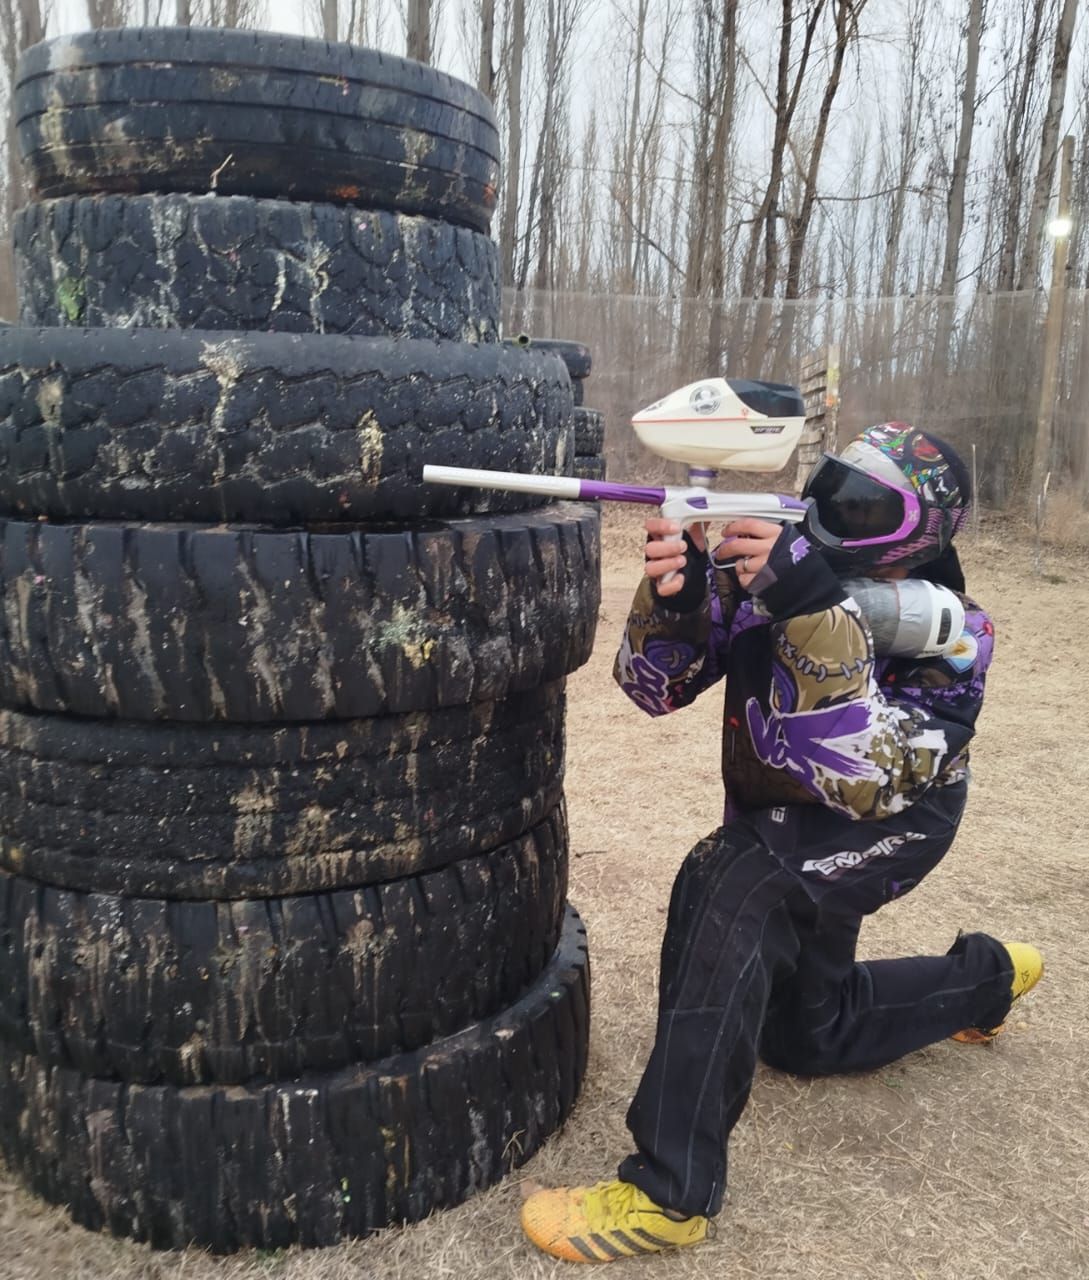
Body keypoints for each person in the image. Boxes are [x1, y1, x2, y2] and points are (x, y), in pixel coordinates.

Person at [521, 423, 1043, 1264]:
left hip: (889, 823)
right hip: (782, 815)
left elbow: (864, 781)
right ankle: (984, 980)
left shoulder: (959, 636)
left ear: (918, 530)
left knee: (731, 879)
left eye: (864, 504)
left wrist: (810, 609)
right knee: (807, 1033)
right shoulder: (776, 575)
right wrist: (681, 599)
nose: (835, 512)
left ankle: (668, 1192)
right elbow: (654, 688)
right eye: (832, 488)